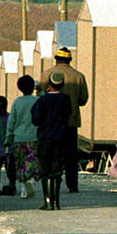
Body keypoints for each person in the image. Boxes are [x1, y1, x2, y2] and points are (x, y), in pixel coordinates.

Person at [38, 46, 88, 194]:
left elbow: (41, 96)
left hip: (50, 124)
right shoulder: (79, 76)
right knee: (71, 155)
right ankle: (72, 185)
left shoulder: (46, 74)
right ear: (70, 59)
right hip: (70, 122)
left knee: (52, 154)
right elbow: (83, 99)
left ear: (56, 59)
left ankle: (52, 184)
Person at [31, 71, 73, 211]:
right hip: (61, 138)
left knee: (45, 170)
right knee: (57, 170)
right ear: (62, 84)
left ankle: (47, 201)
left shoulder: (42, 101)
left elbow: (35, 120)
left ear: (49, 84)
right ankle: (56, 202)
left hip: (44, 138)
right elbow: (68, 115)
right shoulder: (65, 99)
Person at [6, 75, 40, 199]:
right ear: (33, 87)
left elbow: (11, 121)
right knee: (33, 161)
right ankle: (32, 181)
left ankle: (23, 190)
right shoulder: (37, 101)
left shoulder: (17, 102)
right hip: (35, 136)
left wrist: (8, 136)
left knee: (20, 164)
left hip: (19, 137)